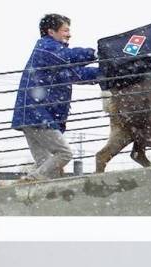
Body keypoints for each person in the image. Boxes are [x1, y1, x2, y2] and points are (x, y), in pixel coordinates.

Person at [11, 14, 99, 181]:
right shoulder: (46, 48)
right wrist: (97, 53)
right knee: (64, 153)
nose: (69, 34)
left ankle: (33, 194)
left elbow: (77, 74)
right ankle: (31, 180)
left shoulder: (54, 58)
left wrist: (107, 72)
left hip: (31, 115)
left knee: (46, 167)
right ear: (51, 32)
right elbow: (68, 57)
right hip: (37, 114)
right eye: (65, 30)